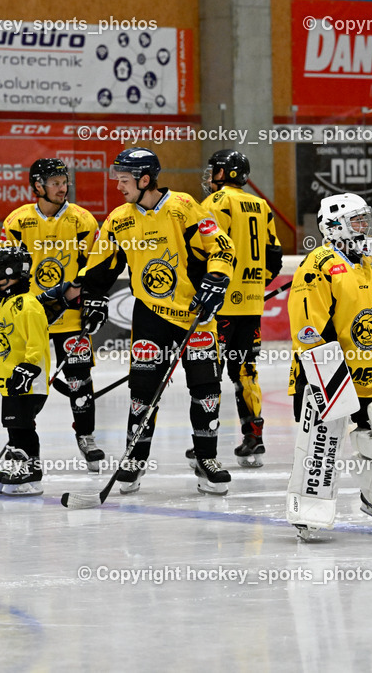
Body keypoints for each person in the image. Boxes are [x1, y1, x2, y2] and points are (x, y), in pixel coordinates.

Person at [78, 147, 236, 495]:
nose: (118, 186)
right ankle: (134, 461)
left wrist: (217, 279)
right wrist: (92, 299)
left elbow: (221, 248)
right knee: (142, 394)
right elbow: (99, 267)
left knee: (206, 391)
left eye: (124, 180)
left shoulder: (183, 207)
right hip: (150, 317)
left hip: (196, 315)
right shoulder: (119, 219)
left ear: (145, 179)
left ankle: (206, 458)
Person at [286, 193, 372, 537]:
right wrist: (324, 378)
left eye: (365, 220)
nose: (365, 227)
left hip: (367, 373)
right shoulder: (318, 265)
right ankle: (309, 504)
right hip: (325, 374)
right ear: (334, 226)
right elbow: (307, 329)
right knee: (323, 441)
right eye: (357, 221)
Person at [0, 158, 104, 471]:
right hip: (32, 319)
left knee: (80, 380)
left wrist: (89, 295)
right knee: (24, 379)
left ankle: (86, 436)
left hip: (70, 314)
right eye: (55, 182)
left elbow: (96, 264)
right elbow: (7, 267)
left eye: (64, 181)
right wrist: (0, 302)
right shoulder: (17, 221)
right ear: (37, 186)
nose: (63, 187)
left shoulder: (83, 220)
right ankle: (21, 443)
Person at [193, 149, 282, 468]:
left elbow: (205, 251)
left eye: (214, 170)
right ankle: (254, 437)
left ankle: (207, 439)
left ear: (225, 174)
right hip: (252, 303)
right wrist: (254, 286)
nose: (210, 175)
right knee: (245, 370)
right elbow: (274, 257)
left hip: (220, 306)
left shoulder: (215, 204)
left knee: (210, 372)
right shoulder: (260, 205)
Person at [0, 246, 52, 495]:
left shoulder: (29, 306)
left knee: (23, 426)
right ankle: (18, 461)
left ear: (13, 273)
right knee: (13, 426)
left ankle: (31, 471)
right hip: (10, 382)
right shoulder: (9, 302)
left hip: (27, 382)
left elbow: (37, 343)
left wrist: (27, 369)